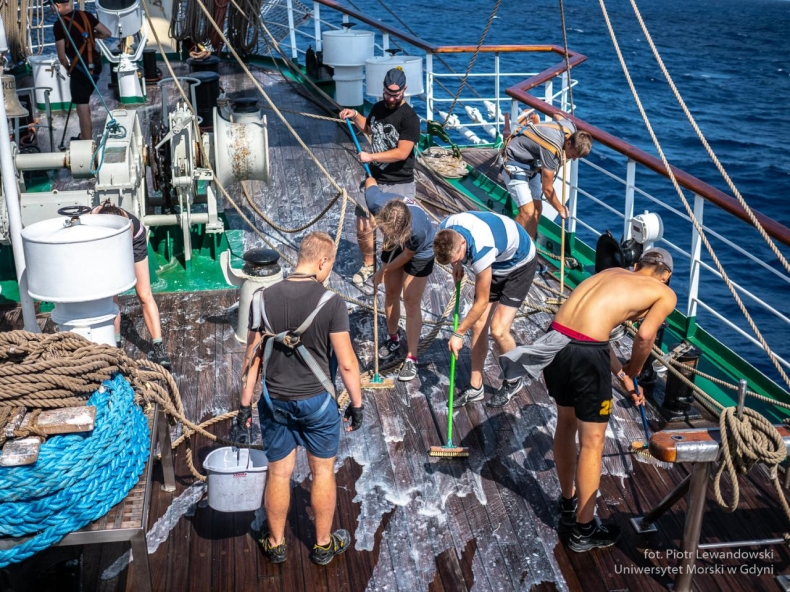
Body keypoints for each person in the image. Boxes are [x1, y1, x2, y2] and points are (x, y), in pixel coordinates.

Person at [499, 247, 676, 553]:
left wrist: (623, 377)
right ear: (667, 277)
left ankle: (568, 506)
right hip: (585, 353)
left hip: (556, 342)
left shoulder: (609, 274)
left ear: (636, 265)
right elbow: (645, 336)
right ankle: (584, 529)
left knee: (566, 425)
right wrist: (635, 369)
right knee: (592, 443)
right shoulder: (664, 293)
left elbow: (592, 332)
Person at [234, 232, 364, 566]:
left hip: (275, 401)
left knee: (278, 473)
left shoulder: (261, 299)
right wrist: (357, 404)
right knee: (322, 473)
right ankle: (322, 545)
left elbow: (252, 359)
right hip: (318, 403)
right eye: (329, 266)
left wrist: (244, 405)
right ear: (322, 262)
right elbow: (347, 363)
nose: (328, 273)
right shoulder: (332, 303)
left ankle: (276, 543)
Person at [433, 211, 537, 407]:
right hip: (496, 261)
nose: (455, 262)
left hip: (519, 263)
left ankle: (513, 380)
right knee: (479, 325)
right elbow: (453, 252)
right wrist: (457, 264)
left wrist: (458, 333)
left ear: (463, 243)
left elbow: (481, 302)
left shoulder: (481, 248)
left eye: (457, 258)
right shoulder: (445, 229)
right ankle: (476, 387)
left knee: (498, 329)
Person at [338, 68, 421, 289]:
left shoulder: (410, 118)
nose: (392, 98)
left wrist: (371, 156)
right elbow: (370, 128)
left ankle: (389, 270)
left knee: (394, 231)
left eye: (396, 94)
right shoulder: (377, 107)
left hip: (399, 182)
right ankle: (368, 265)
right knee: (364, 224)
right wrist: (355, 115)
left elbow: (402, 152)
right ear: (383, 89)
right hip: (374, 177)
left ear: (404, 90)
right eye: (388, 93)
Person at [364, 177, 436, 381]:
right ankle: (393, 337)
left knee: (411, 301)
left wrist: (382, 271)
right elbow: (371, 181)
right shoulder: (376, 202)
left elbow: (406, 255)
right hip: (393, 243)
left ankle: (411, 357)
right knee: (391, 293)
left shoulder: (418, 230)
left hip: (420, 250)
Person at [92, 202, 171, 368]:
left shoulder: (133, 228)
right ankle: (116, 346)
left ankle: (159, 347)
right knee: (111, 297)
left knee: (144, 294)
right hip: (105, 245)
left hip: (134, 244)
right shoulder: (93, 222)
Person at [501, 111, 593, 238]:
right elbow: (547, 189)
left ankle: (529, 245)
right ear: (569, 143)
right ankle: (512, 250)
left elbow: (557, 115)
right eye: (573, 155)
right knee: (527, 211)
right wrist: (561, 209)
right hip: (513, 159)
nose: (573, 159)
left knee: (537, 208)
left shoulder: (569, 127)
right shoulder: (552, 150)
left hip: (531, 163)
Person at [52, 0, 111, 142]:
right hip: (96, 67)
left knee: (82, 106)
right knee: (84, 99)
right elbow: (107, 33)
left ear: (57, 6)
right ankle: (84, 136)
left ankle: (86, 141)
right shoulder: (86, 15)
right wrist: (91, 35)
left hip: (80, 69)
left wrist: (69, 69)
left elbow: (61, 57)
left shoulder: (59, 25)